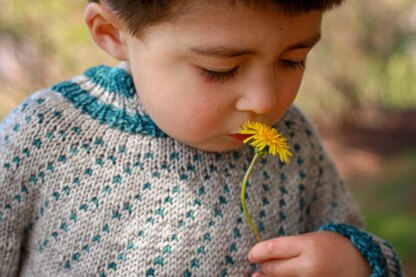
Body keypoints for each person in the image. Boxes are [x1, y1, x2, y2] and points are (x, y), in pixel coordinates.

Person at [0, 0, 403, 276]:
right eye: (220, 68)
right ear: (112, 33)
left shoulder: (291, 140)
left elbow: (358, 242)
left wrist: (356, 261)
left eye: (292, 61)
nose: (264, 101)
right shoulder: (44, 135)